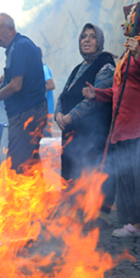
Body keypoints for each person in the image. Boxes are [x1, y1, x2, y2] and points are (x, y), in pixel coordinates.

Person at [82, 2, 140, 245]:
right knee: (129, 177)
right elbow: (120, 90)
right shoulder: (129, 50)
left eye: (128, 18)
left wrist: (138, 55)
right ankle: (137, 223)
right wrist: (97, 95)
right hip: (125, 125)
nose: (124, 23)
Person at [54, 23, 116, 225]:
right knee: (71, 171)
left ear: (100, 41)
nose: (86, 40)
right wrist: (58, 114)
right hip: (71, 133)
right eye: (83, 37)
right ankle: (74, 211)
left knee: (95, 170)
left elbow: (95, 98)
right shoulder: (77, 68)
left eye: (92, 37)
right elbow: (63, 95)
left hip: (94, 133)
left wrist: (69, 117)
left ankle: (101, 216)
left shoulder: (106, 65)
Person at [0, 13, 47, 173]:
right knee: (30, 160)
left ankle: (20, 198)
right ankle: (37, 197)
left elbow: (16, 86)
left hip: (26, 112)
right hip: (33, 110)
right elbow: (30, 67)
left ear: (10, 30)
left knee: (19, 163)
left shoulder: (17, 47)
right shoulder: (23, 44)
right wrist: (8, 74)